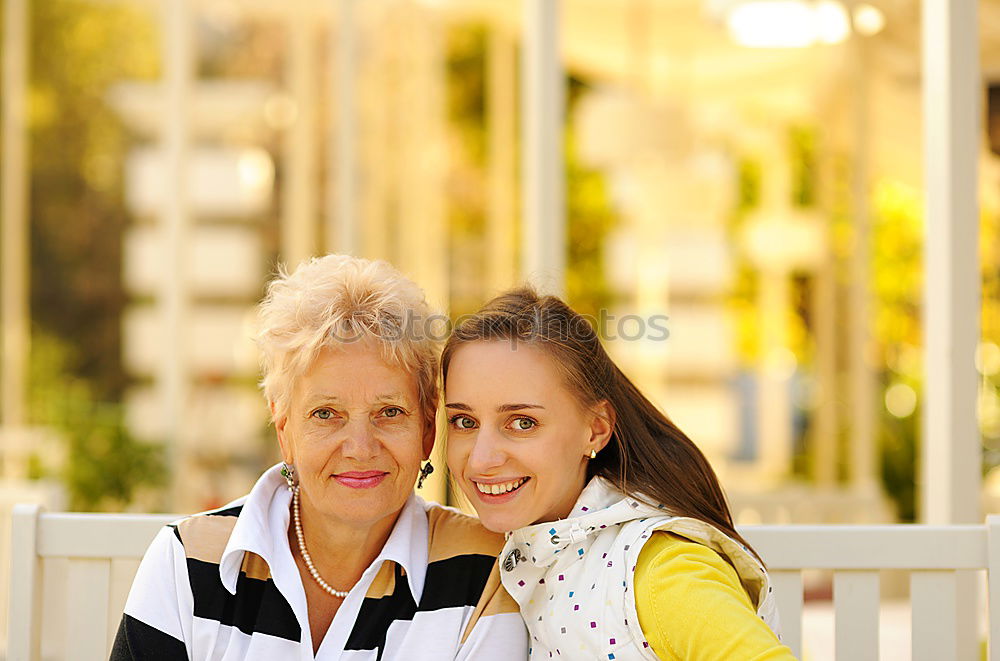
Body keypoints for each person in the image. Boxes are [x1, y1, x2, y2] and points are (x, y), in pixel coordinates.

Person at [111, 255, 526, 661]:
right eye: (326, 414)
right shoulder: (186, 562)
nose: (360, 448)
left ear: (427, 430)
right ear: (285, 430)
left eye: (390, 412)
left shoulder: (485, 568)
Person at [442, 288, 797, 660]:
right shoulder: (531, 554)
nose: (481, 459)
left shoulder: (663, 570)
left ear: (595, 429)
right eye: (464, 421)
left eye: (522, 422)